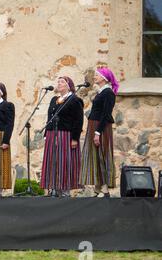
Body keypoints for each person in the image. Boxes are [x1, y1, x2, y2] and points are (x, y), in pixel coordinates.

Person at [40, 76, 84, 197]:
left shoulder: (74, 100)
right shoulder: (54, 99)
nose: (59, 84)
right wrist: (46, 134)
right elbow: (50, 118)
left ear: (68, 85)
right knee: (52, 161)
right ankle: (54, 188)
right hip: (52, 134)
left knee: (64, 161)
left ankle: (65, 190)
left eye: (62, 82)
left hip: (66, 134)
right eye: (58, 82)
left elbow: (78, 120)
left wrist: (75, 138)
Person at [80, 67, 119, 198]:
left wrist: (98, 132)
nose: (95, 77)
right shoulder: (101, 92)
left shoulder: (108, 93)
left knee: (102, 155)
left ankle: (105, 189)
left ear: (104, 78)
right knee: (95, 155)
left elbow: (106, 114)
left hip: (100, 127)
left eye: (97, 75)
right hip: (94, 125)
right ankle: (98, 187)